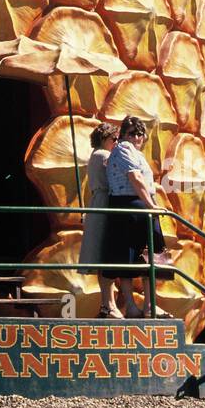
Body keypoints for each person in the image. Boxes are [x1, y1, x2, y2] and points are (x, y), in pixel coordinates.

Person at [105, 116, 172, 317]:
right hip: (128, 205)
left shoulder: (137, 153)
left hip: (141, 205)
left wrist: (150, 205)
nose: (136, 137)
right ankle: (131, 305)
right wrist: (151, 205)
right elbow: (134, 177)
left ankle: (150, 304)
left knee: (150, 256)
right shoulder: (123, 149)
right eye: (132, 133)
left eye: (140, 133)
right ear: (123, 135)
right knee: (128, 256)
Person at [80, 122, 121, 317]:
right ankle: (109, 303)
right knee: (106, 253)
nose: (116, 142)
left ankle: (107, 303)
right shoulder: (104, 156)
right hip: (105, 204)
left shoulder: (96, 155)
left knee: (102, 254)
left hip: (99, 203)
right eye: (114, 139)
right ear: (105, 138)